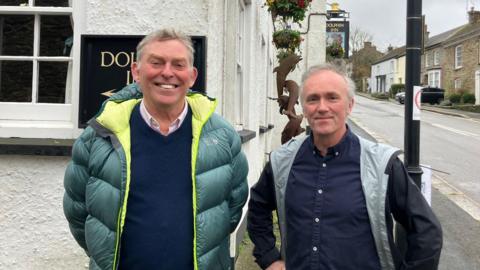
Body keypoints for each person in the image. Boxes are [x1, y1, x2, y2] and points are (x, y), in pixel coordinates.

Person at [63, 28, 249, 270]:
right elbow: (78, 210)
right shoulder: (97, 136)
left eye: (178, 64)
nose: (167, 73)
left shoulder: (223, 137)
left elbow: (232, 209)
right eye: (156, 63)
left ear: (192, 76)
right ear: (136, 72)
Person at [247, 63, 442, 270]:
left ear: (350, 105)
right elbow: (258, 207)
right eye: (313, 98)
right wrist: (269, 258)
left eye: (332, 97)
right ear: (303, 107)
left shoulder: (382, 165)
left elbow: (426, 231)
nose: (322, 107)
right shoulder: (282, 161)